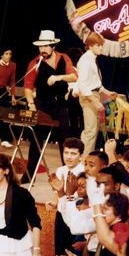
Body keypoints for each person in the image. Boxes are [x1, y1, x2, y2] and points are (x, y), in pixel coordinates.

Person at [23, 30, 78, 182]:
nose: (42, 49)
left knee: (66, 141)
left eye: (46, 46)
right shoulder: (35, 63)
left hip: (60, 105)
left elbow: (74, 76)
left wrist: (59, 77)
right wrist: (31, 104)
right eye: (40, 47)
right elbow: (28, 86)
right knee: (36, 141)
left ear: (53, 46)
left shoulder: (64, 58)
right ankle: (29, 176)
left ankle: (69, 175)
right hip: (42, 105)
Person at [45, 137, 85, 256]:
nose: (69, 156)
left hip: (77, 217)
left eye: (73, 153)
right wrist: (54, 203)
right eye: (66, 152)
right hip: (62, 217)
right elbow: (59, 195)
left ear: (80, 155)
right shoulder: (60, 171)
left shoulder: (84, 173)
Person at [71, 32, 118, 155]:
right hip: (89, 97)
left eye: (101, 45)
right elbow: (83, 84)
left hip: (93, 95)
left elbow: (96, 84)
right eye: (98, 45)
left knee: (91, 131)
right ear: (91, 46)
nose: (101, 48)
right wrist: (95, 101)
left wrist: (108, 92)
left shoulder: (92, 58)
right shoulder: (86, 60)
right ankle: (84, 161)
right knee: (90, 132)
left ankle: (84, 159)